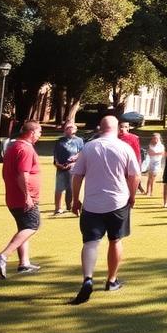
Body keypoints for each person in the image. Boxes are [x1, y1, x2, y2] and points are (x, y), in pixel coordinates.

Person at [67, 115, 140, 305]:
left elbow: (77, 176)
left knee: (90, 242)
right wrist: (132, 195)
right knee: (115, 240)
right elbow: (135, 176)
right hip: (118, 201)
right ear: (116, 129)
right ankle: (111, 280)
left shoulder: (89, 147)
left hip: (91, 203)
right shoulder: (124, 147)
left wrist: (75, 200)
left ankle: (88, 279)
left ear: (100, 128)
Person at [0, 121, 44, 278]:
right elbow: (23, 174)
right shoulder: (25, 148)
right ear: (31, 132)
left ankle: (24, 263)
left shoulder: (13, 146)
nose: (41, 135)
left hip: (14, 196)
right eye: (39, 132)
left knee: (24, 228)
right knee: (33, 225)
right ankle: (3, 256)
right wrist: (27, 195)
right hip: (24, 197)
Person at [53, 122, 85, 216]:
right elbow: (55, 155)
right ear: (65, 129)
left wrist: (74, 161)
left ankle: (73, 206)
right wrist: (58, 164)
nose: (70, 129)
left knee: (73, 188)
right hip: (61, 167)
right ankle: (58, 208)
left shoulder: (79, 140)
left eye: (72, 127)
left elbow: (82, 153)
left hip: (74, 168)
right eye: (68, 127)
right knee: (59, 188)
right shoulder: (59, 141)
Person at [118, 121, 143, 193]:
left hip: (130, 163)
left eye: (125, 127)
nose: (123, 129)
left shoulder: (133, 138)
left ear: (128, 128)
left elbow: (137, 152)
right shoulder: (115, 137)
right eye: (121, 127)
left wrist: (137, 165)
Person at [143, 132, 165, 199]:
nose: (156, 139)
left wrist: (156, 153)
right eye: (154, 138)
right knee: (150, 177)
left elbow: (162, 153)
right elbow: (150, 153)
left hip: (157, 163)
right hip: (151, 162)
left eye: (157, 138)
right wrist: (157, 153)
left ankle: (151, 191)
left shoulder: (161, 146)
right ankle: (148, 191)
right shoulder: (151, 145)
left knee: (153, 178)